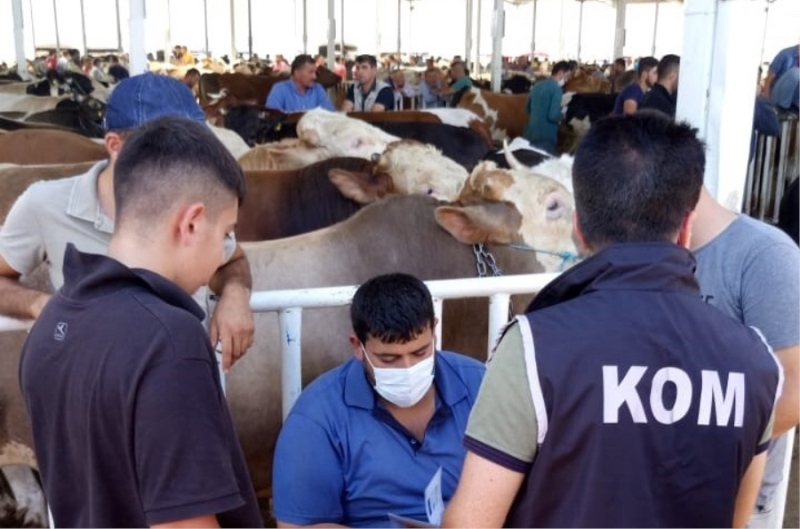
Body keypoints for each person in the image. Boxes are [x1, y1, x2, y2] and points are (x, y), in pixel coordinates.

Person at [442, 112, 782, 528]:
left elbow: (471, 523)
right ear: (687, 227)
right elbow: (735, 520)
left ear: (579, 228)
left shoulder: (535, 348)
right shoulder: (754, 361)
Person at [19, 116, 263, 528]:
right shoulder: (169, 340)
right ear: (191, 223)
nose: (224, 252)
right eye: (225, 233)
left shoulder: (53, 322)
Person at [0, 72, 254, 372]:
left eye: (193, 145)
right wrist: (42, 306)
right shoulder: (45, 204)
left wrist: (236, 295)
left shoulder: (196, 206)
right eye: (162, 147)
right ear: (114, 145)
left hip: (179, 373)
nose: (188, 161)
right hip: (94, 384)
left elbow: (232, 259)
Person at [272, 273, 485, 528]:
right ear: (358, 347)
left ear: (434, 331)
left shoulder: (479, 385)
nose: (408, 367)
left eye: (420, 352)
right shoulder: (317, 416)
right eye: (388, 359)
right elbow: (298, 526)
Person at [691, 185, 799, 529]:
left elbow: (792, 390)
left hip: (740, 498)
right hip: (665, 492)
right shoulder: (643, 253)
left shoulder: (766, 254)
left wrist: (698, 463)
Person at [523, 60, 570, 154]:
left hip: (529, 134)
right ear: (560, 73)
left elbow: (527, 108)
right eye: (567, 76)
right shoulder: (556, 89)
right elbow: (552, 115)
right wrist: (562, 114)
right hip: (546, 136)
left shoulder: (537, 85)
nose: (567, 80)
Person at [265, 54, 335, 113]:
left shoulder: (318, 89)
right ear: (297, 73)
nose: (315, 77)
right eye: (311, 72)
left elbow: (329, 115)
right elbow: (272, 118)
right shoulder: (279, 89)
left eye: (315, 72)